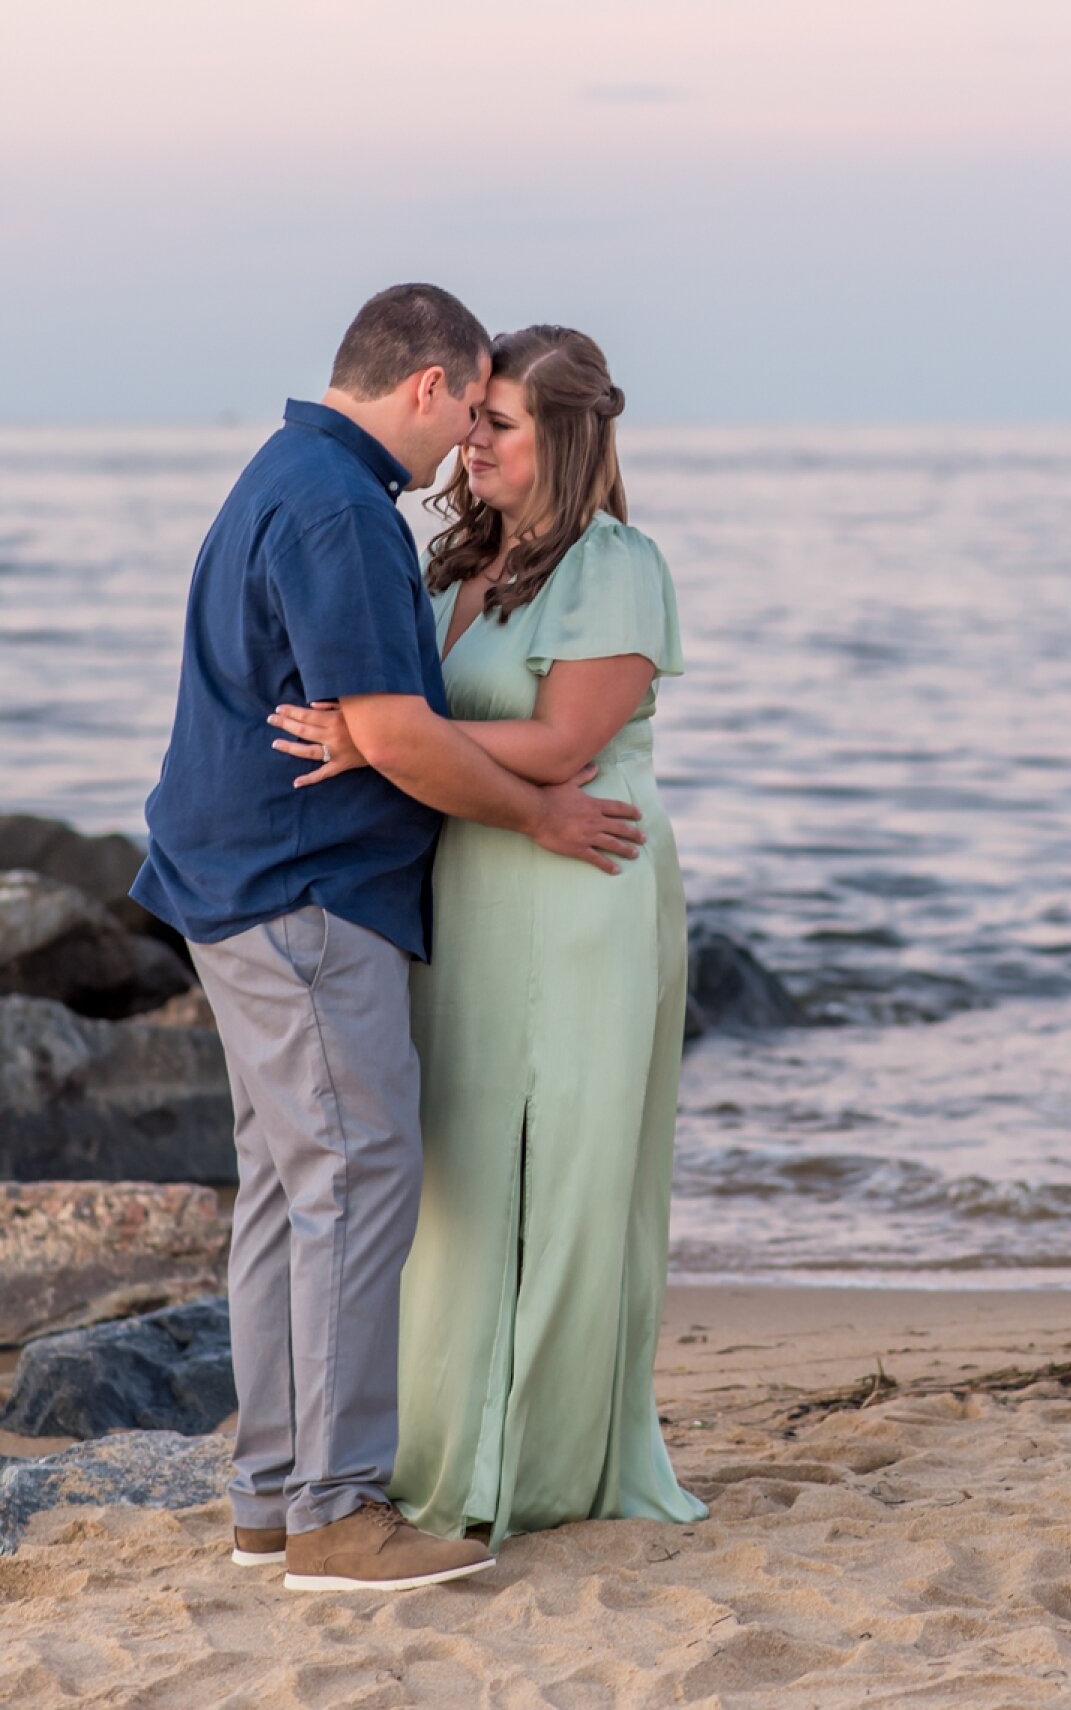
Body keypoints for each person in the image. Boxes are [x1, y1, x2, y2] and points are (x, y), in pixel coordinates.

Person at [132, 286, 643, 1593]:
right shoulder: (341, 506)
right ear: (426, 386)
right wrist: (540, 811)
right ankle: (339, 1512)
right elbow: (402, 735)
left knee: (290, 1192)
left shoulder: (292, 472)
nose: (467, 439)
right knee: (360, 1180)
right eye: (470, 407)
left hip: (238, 880)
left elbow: (386, 725)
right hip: (301, 891)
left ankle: (271, 1498)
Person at [269, 324, 707, 1546]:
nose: (470, 441)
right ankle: (436, 1443)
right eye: (473, 418)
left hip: (577, 882)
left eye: (498, 423)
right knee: (456, 1172)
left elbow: (568, 741)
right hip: (466, 879)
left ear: (563, 438)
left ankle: (546, 1465)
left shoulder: (615, 563)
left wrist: (380, 739)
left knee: (560, 1171)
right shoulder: (449, 557)